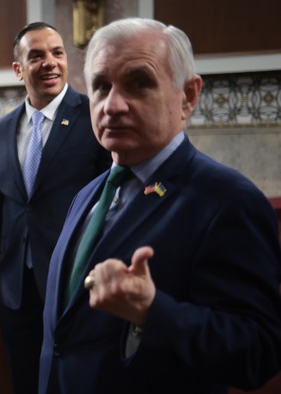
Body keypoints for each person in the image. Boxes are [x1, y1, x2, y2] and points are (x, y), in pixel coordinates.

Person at [38, 18, 281, 393]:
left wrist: (153, 311)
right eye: (101, 86)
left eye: (139, 83)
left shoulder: (230, 201)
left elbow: (259, 352)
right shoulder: (87, 196)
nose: (112, 105)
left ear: (188, 96)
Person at [0, 22, 111, 394]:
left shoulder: (95, 117)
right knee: (25, 378)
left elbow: (111, 203)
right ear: (18, 69)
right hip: (16, 290)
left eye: (57, 53)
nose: (50, 63)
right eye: (37, 56)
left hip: (75, 283)